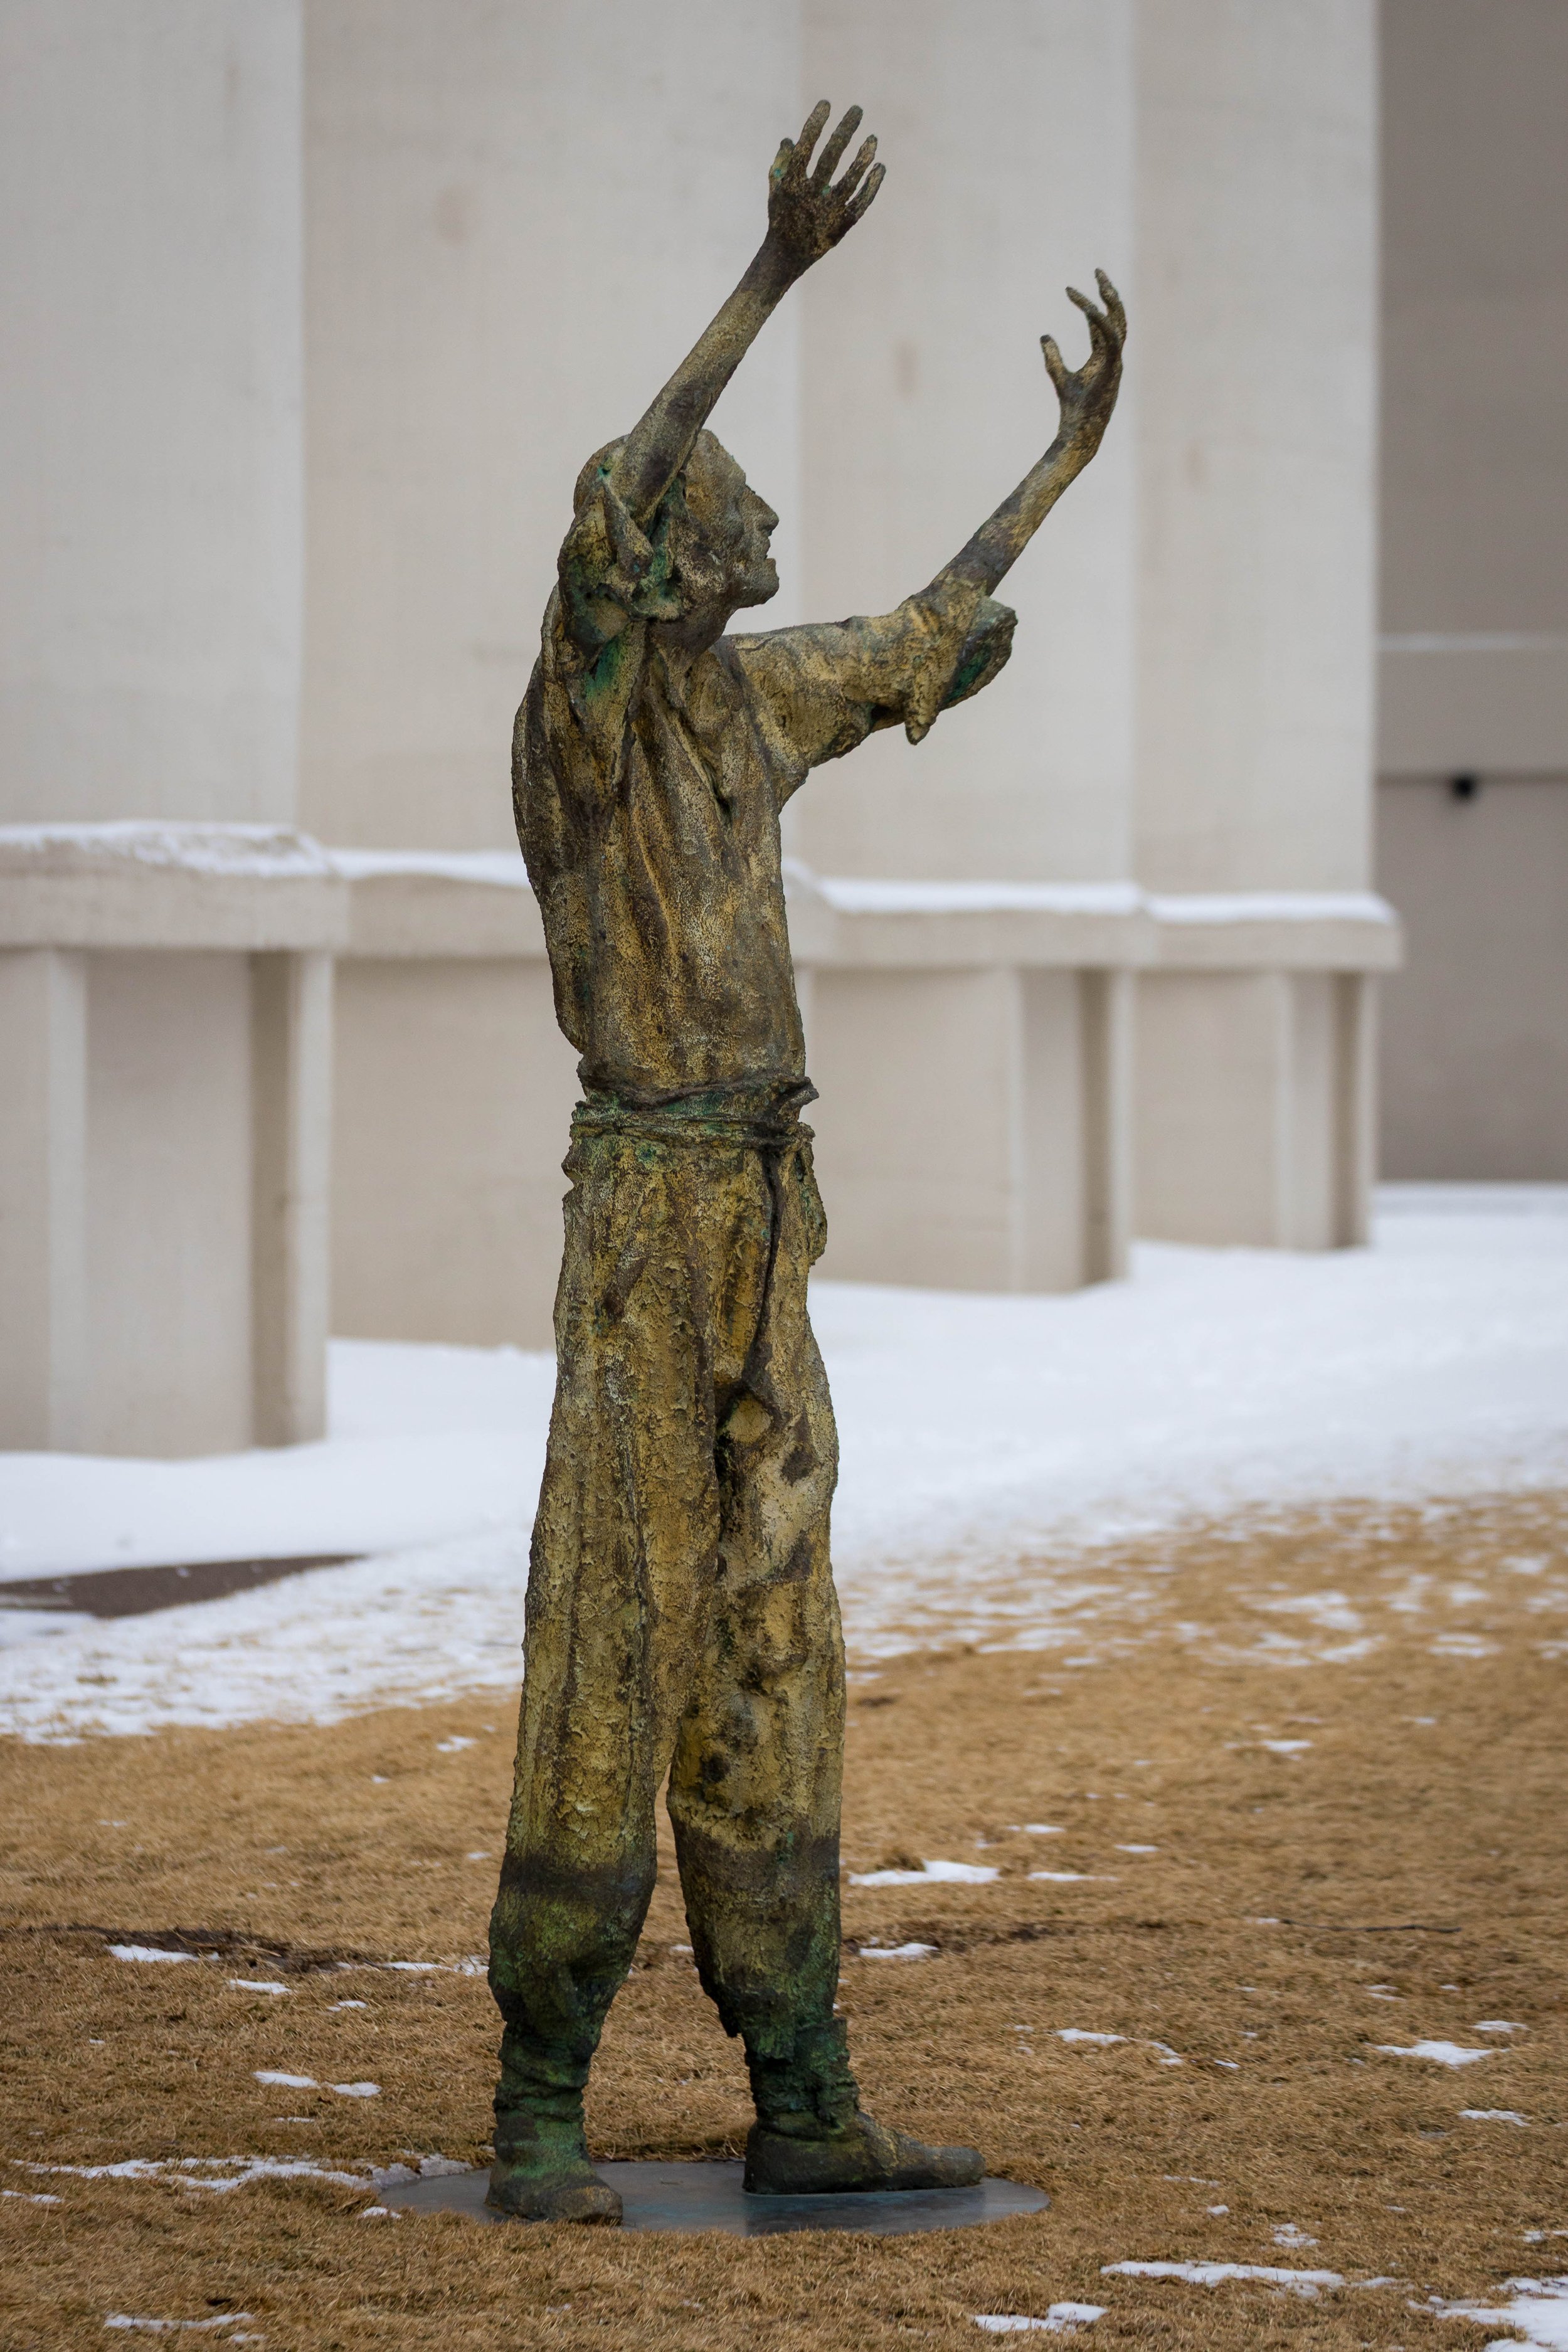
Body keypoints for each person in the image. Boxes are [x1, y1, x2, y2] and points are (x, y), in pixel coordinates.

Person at [489, 100, 1125, 2224]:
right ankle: (543, 2099)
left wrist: (1061, 465)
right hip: (649, 1216)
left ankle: (801, 2082)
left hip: (764, 1208)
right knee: (616, 1620)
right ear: (656, 555)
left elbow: (926, 626)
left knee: (776, 1624)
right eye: (711, 509)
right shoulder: (583, 722)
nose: (749, 517)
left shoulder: (745, 709)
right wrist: (769, 276)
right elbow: (628, 496)